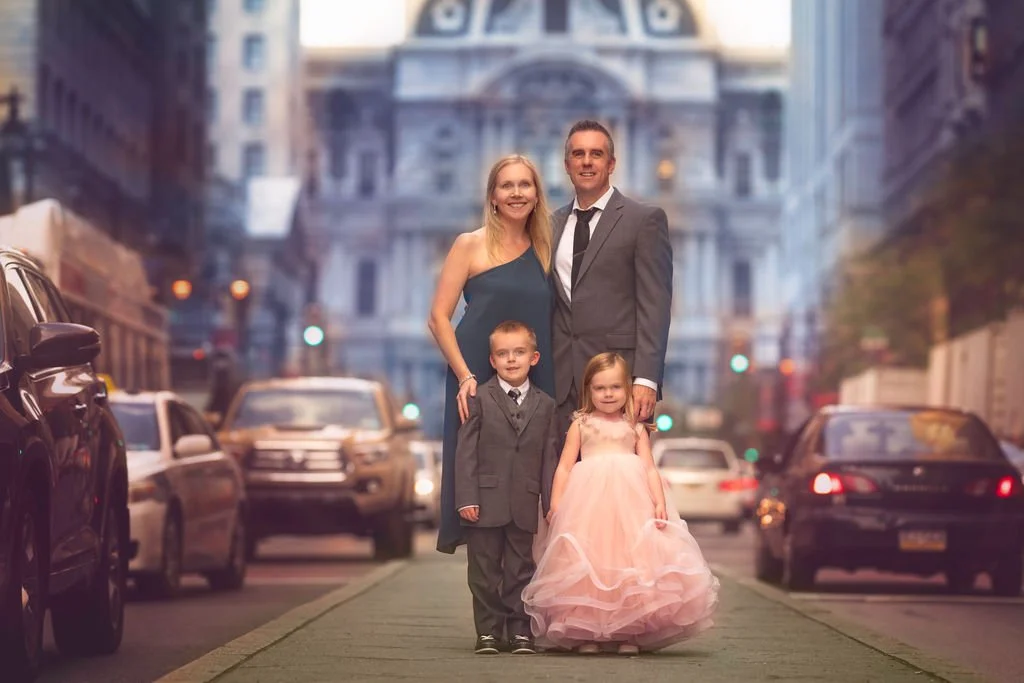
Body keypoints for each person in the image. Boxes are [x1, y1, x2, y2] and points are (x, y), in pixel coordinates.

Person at [522, 352, 719, 655]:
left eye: (614, 387)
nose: (608, 394)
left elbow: (651, 468)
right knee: (590, 561)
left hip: (631, 501)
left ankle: (630, 632)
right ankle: (587, 631)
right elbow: (563, 466)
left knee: (630, 561)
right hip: (587, 502)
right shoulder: (581, 424)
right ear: (589, 390)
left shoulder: (635, 427)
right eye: (600, 388)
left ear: (627, 389)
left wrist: (658, 501)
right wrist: (556, 502)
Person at [428, 155, 555, 555]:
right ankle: (485, 571)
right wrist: (465, 375)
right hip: (475, 371)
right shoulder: (470, 244)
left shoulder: (548, 249)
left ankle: (522, 582)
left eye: (525, 185)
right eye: (507, 185)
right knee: (478, 468)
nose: (516, 193)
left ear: (536, 195)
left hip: (536, 371)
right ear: (493, 196)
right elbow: (438, 318)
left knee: (529, 465)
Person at [551, 120, 673, 436]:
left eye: (596, 154)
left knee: (614, 481)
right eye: (578, 154)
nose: (587, 161)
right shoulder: (550, 225)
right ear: (567, 165)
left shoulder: (644, 221)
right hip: (559, 385)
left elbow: (654, 306)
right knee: (561, 483)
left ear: (611, 163)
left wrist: (646, 379)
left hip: (618, 383)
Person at [455, 321, 559, 655]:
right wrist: (466, 497)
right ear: (492, 360)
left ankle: (520, 631)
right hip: (483, 501)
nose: (511, 359)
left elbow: (548, 459)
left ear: (534, 357)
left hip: (524, 501)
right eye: (503, 354)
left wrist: (549, 503)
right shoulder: (478, 397)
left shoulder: (546, 405)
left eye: (519, 352)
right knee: (484, 570)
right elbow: (466, 451)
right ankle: (488, 630)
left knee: (520, 570)